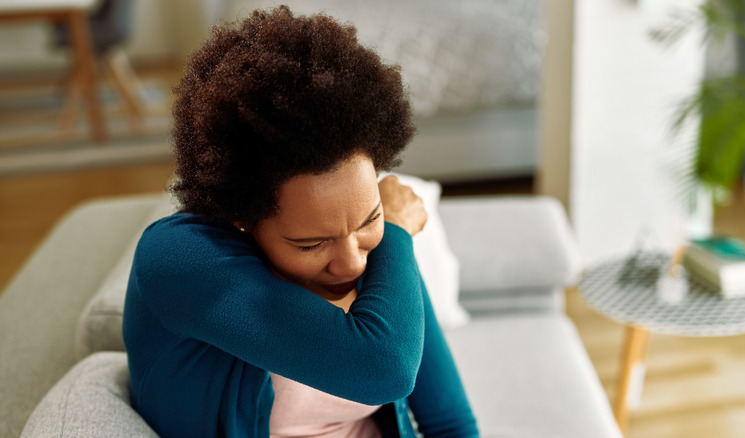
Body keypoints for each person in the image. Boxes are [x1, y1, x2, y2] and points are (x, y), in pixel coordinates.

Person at [122, 6, 478, 438]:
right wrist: (397, 232)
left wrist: (386, 236)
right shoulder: (180, 260)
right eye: (312, 244)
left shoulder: (378, 254)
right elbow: (385, 370)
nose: (352, 264)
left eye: (369, 219)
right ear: (242, 219)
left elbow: (449, 421)